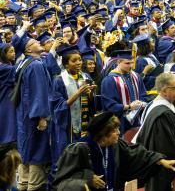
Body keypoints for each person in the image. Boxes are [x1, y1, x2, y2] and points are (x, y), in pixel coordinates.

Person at [53, 112, 175, 191]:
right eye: (114, 131)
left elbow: (136, 154)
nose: (119, 133)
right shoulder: (79, 148)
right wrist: (87, 179)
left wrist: (160, 161)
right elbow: (61, 180)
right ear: (104, 134)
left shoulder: (114, 145)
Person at [134, 73, 175, 191]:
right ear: (165, 91)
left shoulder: (160, 106)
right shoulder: (162, 114)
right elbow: (165, 145)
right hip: (162, 169)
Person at [49, 45, 97, 173]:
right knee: (66, 158)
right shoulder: (59, 81)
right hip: (67, 127)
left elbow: (92, 104)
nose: (79, 63)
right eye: (74, 60)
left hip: (84, 124)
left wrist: (91, 93)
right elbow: (57, 107)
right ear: (66, 64)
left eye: (80, 60)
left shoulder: (85, 77)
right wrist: (77, 94)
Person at [13, 36, 51, 191]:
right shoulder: (35, 65)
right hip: (34, 116)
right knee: (37, 149)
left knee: (26, 148)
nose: (38, 42)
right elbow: (39, 91)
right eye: (34, 43)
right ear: (28, 49)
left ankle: (22, 184)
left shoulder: (22, 62)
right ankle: (34, 186)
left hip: (24, 112)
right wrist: (42, 116)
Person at [100, 42, 148, 132]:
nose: (130, 66)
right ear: (118, 62)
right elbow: (109, 105)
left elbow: (143, 95)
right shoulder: (109, 80)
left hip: (137, 120)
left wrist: (141, 103)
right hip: (119, 122)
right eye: (127, 63)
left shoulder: (136, 76)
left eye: (132, 63)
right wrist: (129, 107)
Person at [0, 44, 17, 150]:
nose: (14, 53)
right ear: (3, 54)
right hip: (6, 99)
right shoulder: (6, 69)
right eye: (11, 51)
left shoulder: (6, 66)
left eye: (14, 51)